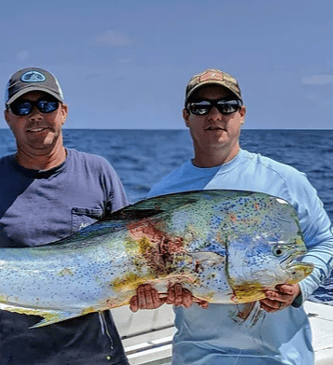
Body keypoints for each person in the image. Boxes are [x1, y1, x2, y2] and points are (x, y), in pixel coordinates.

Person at [129, 68, 333, 364]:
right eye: (201, 108)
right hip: (198, 356)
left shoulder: (285, 180)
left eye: (227, 106)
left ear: (242, 114)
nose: (215, 115)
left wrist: (300, 287)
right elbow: (152, 270)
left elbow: (325, 242)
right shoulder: (164, 193)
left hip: (280, 357)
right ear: (186, 117)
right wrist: (150, 292)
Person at [0, 67, 130, 365]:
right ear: (8, 117)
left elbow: (130, 255)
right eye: (22, 107)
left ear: (64, 112)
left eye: (46, 105)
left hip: (99, 356)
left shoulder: (99, 172)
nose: (35, 115)